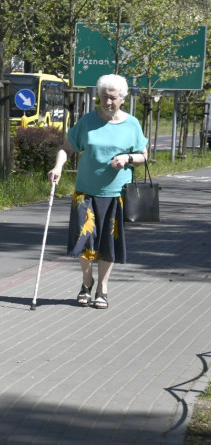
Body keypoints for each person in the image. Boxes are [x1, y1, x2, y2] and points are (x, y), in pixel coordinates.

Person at [47, 73, 148, 310]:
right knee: (84, 240)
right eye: (104, 97)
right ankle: (86, 282)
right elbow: (66, 148)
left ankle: (102, 288)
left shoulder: (132, 124)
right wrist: (58, 166)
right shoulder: (88, 121)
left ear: (122, 98)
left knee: (107, 243)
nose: (108, 102)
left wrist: (127, 158)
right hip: (85, 191)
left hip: (116, 194)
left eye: (113, 98)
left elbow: (143, 156)